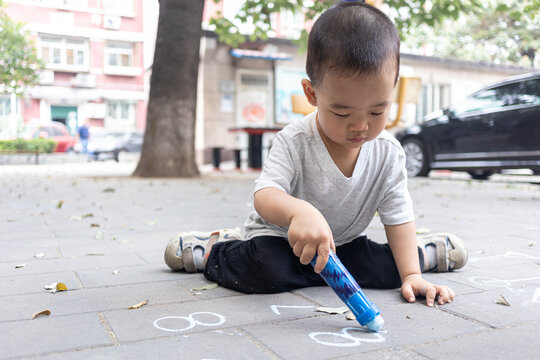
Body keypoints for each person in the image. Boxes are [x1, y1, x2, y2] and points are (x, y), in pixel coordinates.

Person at [164, 2, 468, 308]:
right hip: (281, 243)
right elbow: (265, 195)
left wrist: (411, 275)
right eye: (341, 111)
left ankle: (420, 255)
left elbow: (398, 216)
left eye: (378, 110)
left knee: (390, 271)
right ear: (312, 94)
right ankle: (217, 248)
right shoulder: (295, 140)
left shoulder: (388, 153)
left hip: (342, 247)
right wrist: (299, 212)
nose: (361, 125)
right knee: (266, 271)